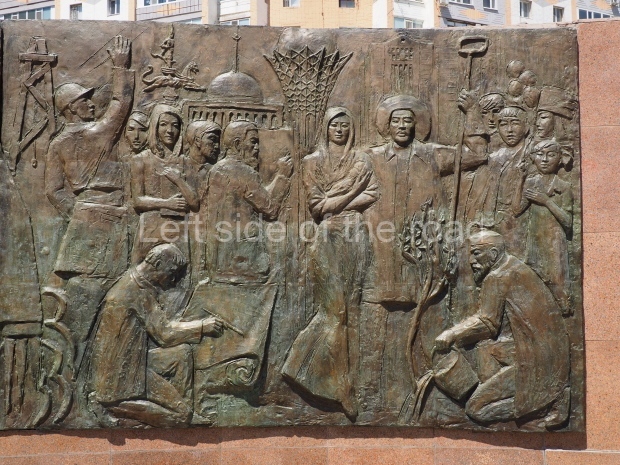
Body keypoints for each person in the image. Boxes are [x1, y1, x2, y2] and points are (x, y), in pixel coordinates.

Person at [281, 107, 378, 421]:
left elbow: (371, 194)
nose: (340, 129)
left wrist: (337, 198)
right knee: (335, 311)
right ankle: (328, 381)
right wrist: (351, 193)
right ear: (326, 128)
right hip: (327, 238)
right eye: (335, 124)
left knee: (351, 311)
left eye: (345, 125)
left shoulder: (361, 160)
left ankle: (323, 376)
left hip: (356, 236)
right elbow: (318, 207)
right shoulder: (312, 162)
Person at [44, 35, 134, 356]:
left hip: (84, 219)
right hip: (107, 218)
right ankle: (71, 358)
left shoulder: (57, 144)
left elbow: (54, 191)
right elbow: (121, 105)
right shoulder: (98, 133)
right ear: (72, 108)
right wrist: (120, 67)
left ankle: (69, 357)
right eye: (85, 101)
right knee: (100, 294)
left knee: (85, 295)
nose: (92, 104)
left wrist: (81, 215)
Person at [434, 230, 570, 428]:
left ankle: (543, 404)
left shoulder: (497, 277)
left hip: (537, 362)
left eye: (476, 253)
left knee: (475, 409)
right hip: (552, 353)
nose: (471, 261)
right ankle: (549, 393)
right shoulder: (516, 267)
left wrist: (452, 334)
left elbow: (488, 323)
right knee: (489, 349)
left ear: (494, 254)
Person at [88, 244, 223, 427]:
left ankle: (185, 410)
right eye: (171, 272)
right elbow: (165, 335)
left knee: (182, 354)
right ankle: (108, 408)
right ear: (158, 264)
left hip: (138, 361)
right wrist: (202, 326)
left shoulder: (138, 283)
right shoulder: (133, 291)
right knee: (180, 418)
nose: (173, 279)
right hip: (120, 380)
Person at [203, 121, 293, 284]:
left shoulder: (216, 170)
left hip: (221, 260)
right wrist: (282, 175)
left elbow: (259, 196)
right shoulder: (244, 172)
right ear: (238, 144)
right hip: (243, 261)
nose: (257, 148)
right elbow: (270, 209)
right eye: (253, 142)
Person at [130, 104, 197, 263]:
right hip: (151, 226)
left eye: (175, 125)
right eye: (164, 124)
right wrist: (167, 203)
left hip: (178, 227)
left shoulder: (186, 162)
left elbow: (194, 202)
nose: (170, 130)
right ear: (155, 127)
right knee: (143, 269)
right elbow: (137, 201)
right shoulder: (141, 160)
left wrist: (178, 180)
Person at [513, 139, 573, 314]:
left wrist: (546, 201)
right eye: (540, 154)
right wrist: (521, 180)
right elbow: (516, 210)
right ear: (534, 158)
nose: (545, 159)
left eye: (551, 155)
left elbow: (568, 222)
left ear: (559, 159)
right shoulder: (532, 183)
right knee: (535, 283)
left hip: (555, 243)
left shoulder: (563, 187)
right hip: (535, 242)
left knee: (558, 285)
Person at [183, 120, 222, 283]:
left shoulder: (216, 171)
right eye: (212, 140)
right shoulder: (179, 166)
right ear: (197, 140)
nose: (217, 146)